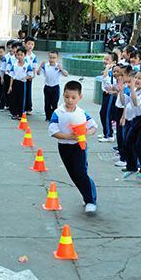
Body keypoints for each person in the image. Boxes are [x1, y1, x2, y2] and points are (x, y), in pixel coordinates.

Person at [49, 80, 98, 213]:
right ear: (63, 95)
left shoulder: (81, 113)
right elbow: (53, 131)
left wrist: (85, 134)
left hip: (79, 146)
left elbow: (93, 126)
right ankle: (87, 194)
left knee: (81, 172)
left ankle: (90, 200)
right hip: (64, 147)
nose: (69, 100)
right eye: (66, 97)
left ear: (79, 97)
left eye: (73, 97)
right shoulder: (58, 113)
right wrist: (68, 137)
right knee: (74, 174)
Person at [123, 70, 141, 180]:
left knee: (140, 146)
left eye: (140, 78)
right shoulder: (135, 90)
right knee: (128, 143)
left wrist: (132, 89)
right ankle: (132, 166)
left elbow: (135, 102)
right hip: (135, 120)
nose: (137, 80)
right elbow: (127, 103)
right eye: (136, 78)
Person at [37, 50, 69, 121]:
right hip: (47, 87)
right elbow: (38, 73)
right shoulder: (46, 66)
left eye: (54, 58)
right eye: (50, 57)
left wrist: (61, 69)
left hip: (55, 87)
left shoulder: (58, 66)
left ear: (57, 58)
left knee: (54, 103)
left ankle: (54, 117)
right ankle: (48, 117)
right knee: (47, 103)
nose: (52, 59)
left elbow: (66, 74)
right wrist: (40, 66)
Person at [114, 65, 133, 168]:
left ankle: (124, 158)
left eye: (122, 75)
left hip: (124, 112)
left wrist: (123, 116)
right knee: (120, 134)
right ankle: (122, 155)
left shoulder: (129, 88)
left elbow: (126, 103)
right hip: (120, 109)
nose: (119, 77)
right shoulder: (124, 87)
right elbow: (121, 101)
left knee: (123, 135)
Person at [7, 47, 33, 120]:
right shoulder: (14, 65)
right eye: (18, 55)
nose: (19, 56)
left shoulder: (27, 65)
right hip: (15, 82)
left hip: (22, 83)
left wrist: (25, 77)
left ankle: (21, 114)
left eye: (21, 55)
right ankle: (14, 113)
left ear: (25, 55)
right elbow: (12, 76)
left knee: (22, 99)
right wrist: (10, 86)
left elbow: (30, 75)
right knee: (14, 98)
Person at [99, 52, 118, 142]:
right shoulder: (108, 71)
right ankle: (105, 132)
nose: (105, 61)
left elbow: (105, 79)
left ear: (113, 62)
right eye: (104, 59)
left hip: (110, 95)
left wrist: (107, 69)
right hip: (106, 94)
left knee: (106, 114)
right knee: (103, 113)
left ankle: (109, 135)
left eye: (107, 59)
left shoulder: (112, 72)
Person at [23, 36, 38, 115]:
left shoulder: (33, 56)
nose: (30, 46)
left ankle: (28, 108)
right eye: (28, 44)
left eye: (32, 44)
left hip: (29, 77)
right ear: (25, 44)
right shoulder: (22, 54)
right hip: (21, 76)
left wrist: (33, 75)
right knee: (22, 92)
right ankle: (22, 107)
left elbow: (34, 66)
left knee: (28, 91)